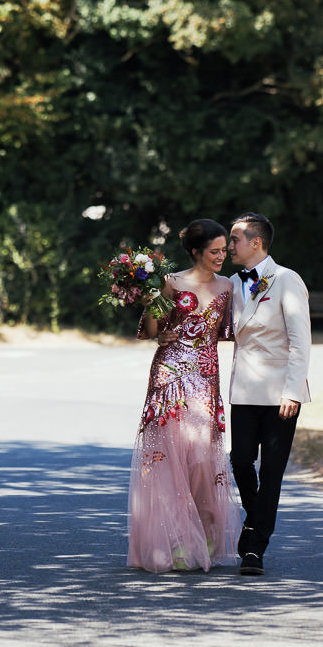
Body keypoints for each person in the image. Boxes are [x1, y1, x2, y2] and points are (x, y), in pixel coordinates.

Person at [127, 219, 240, 573]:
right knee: (168, 459)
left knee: (203, 460)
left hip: (206, 378)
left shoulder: (228, 286)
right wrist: (154, 313)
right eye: (215, 251)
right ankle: (174, 540)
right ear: (196, 251)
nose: (222, 256)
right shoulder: (171, 282)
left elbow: (228, 332)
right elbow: (149, 330)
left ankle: (204, 535)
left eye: (224, 250)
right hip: (170, 375)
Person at [226, 211, 311, 576]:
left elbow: (300, 342)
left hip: (280, 395)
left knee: (272, 472)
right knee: (241, 461)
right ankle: (255, 517)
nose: (228, 246)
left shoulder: (287, 280)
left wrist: (293, 391)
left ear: (255, 242)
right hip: (243, 391)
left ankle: (254, 548)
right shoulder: (231, 283)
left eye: (234, 240)